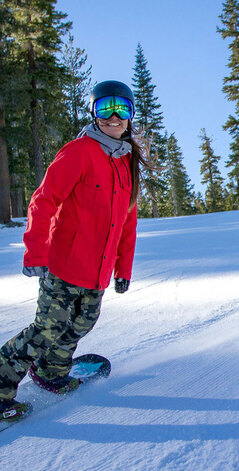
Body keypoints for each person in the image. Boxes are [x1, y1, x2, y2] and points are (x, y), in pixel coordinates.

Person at [0, 80, 146, 422]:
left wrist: (123, 269)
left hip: (96, 272)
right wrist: (35, 252)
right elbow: (43, 200)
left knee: (83, 322)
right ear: (93, 114)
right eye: (104, 108)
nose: (113, 116)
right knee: (46, 329)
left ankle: (50, 371)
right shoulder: (78, 152)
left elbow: (127, 224)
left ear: (130, 116)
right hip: (63, 265)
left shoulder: (126, 166)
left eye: (121, 109)